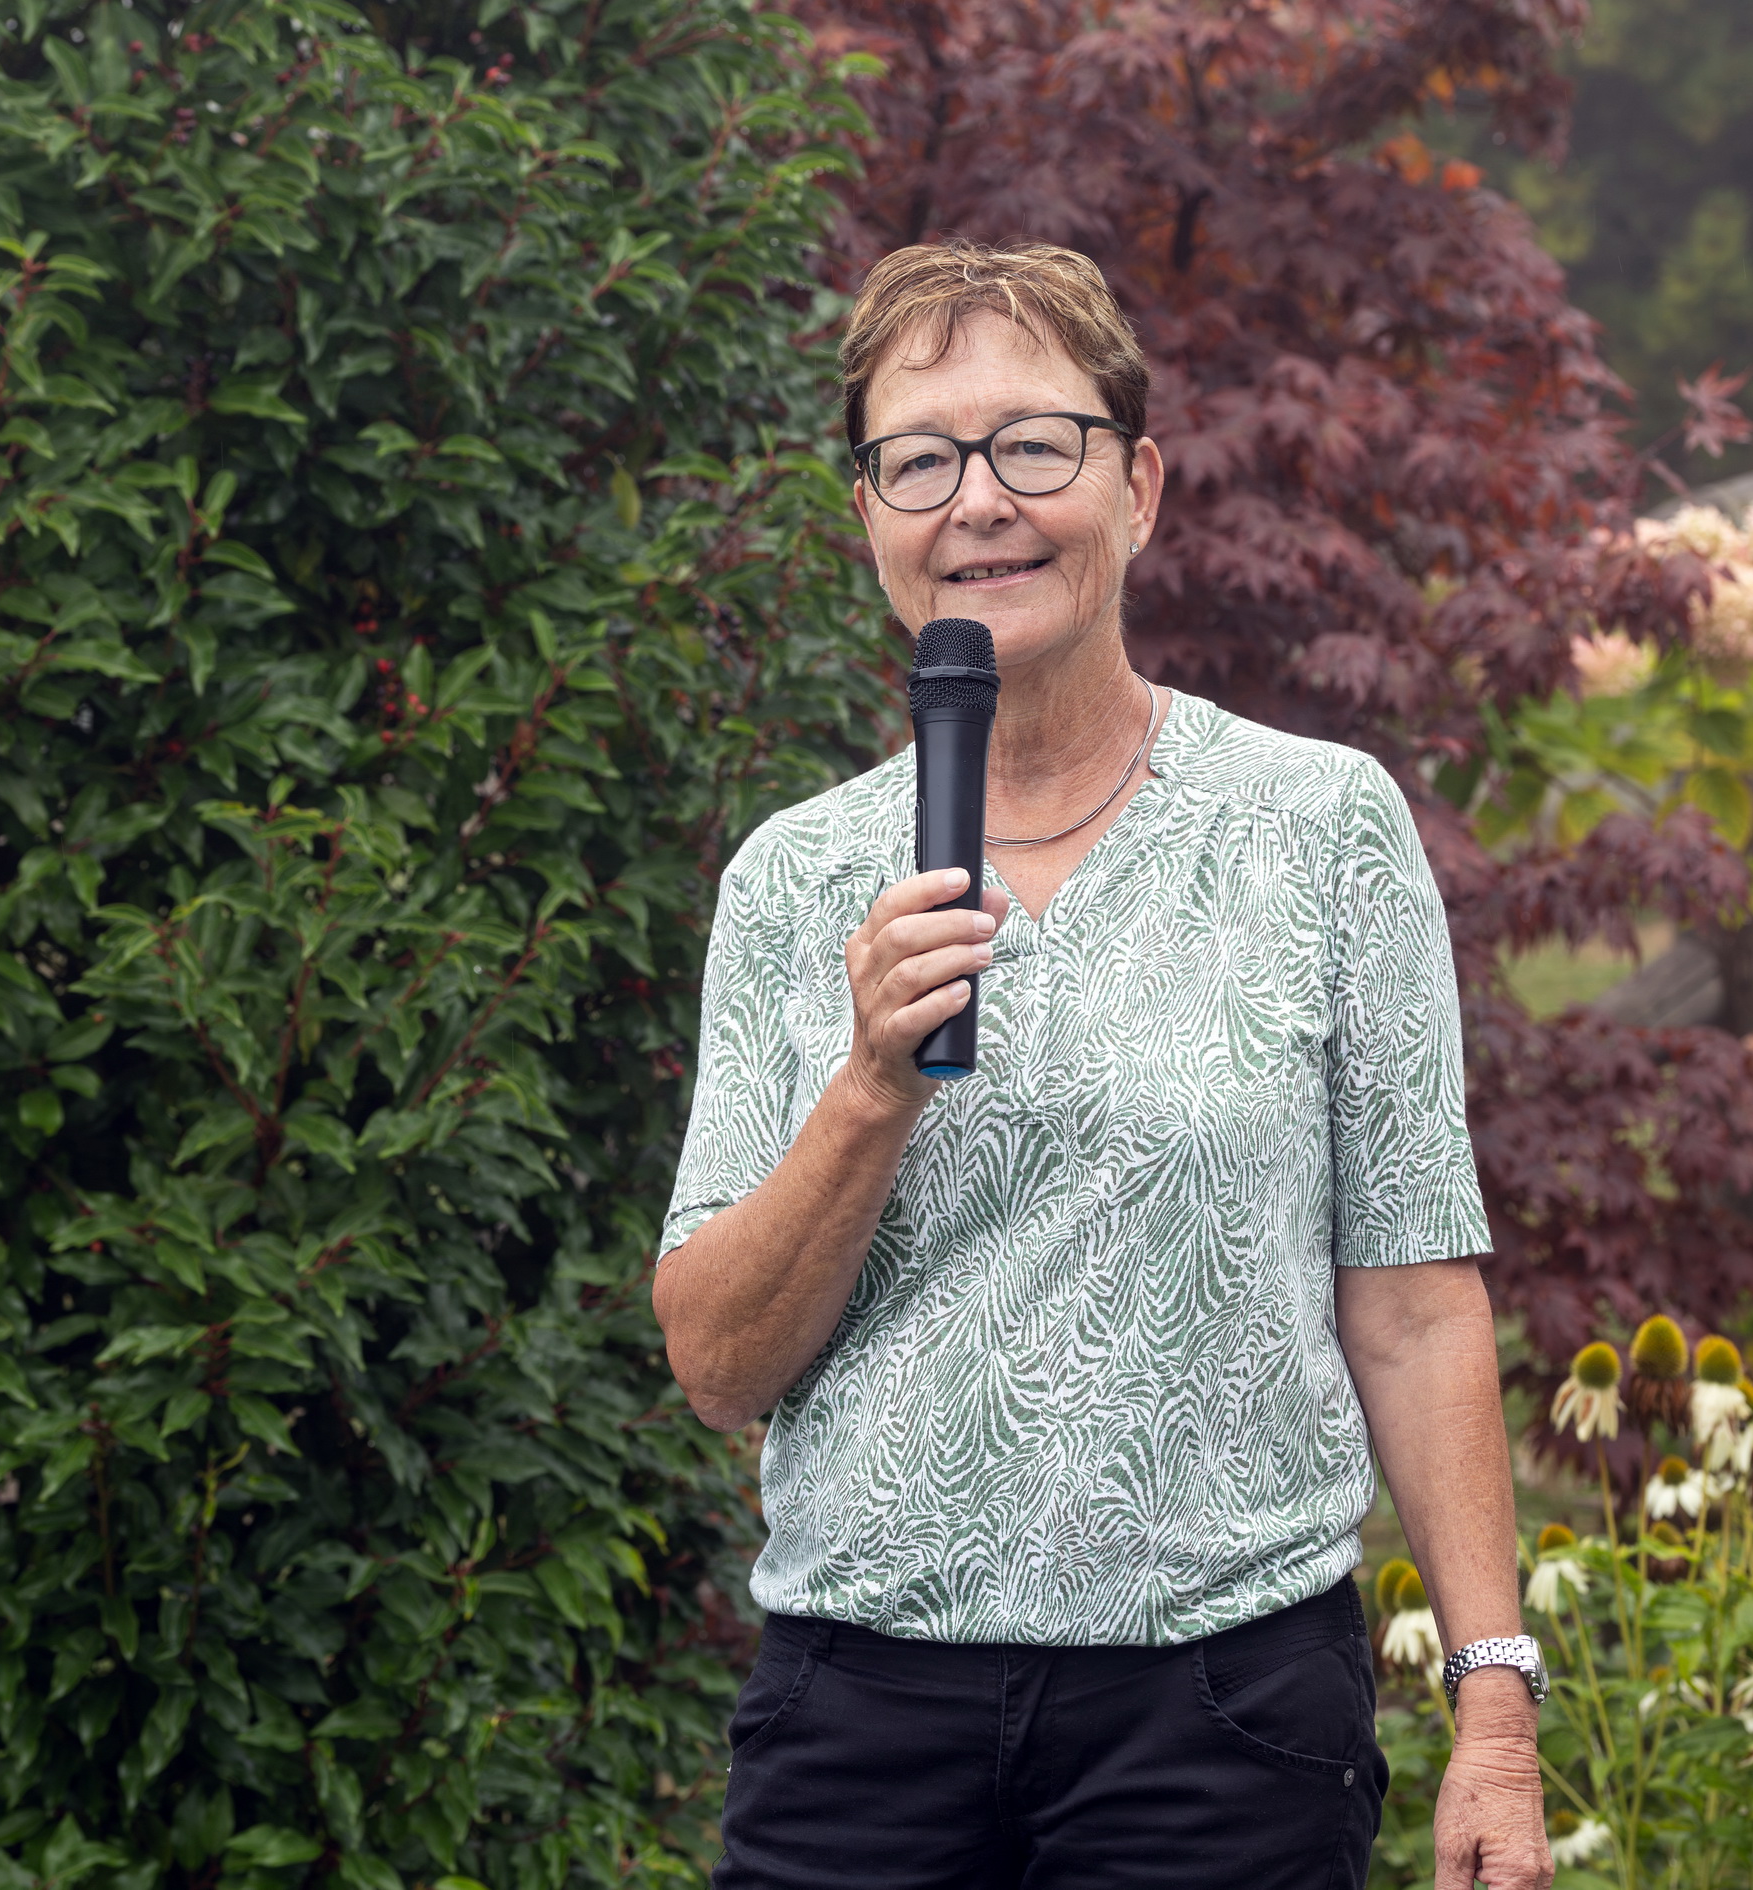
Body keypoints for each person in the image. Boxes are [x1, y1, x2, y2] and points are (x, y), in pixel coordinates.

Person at [651, 240, 1550, 1890]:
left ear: (1137, 484)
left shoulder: (1321, 829)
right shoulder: (793, 877)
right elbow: (716, 1366)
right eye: (916, 458)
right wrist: (867, 1088)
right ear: (867, 515)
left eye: (1031, 446)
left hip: (1217, 1720)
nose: (974, 501)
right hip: (856, 1717)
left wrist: (1491, 1712)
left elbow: (1416, 1305)